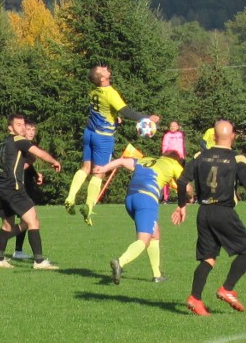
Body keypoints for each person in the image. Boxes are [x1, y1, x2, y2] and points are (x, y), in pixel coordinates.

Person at [171, 120, 246, 316]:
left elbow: (182, 181)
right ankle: (227, 289)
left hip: (204, 212)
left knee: (208, 258)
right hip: (223, 211)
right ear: (233, 136)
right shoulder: (237, 158)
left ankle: (195, 298)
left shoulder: (200, 156)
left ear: (214, 136)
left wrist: (182, 205)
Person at [64, 64, 159, 226]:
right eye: (102, 69)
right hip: (103, 137)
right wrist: (148, 118)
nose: (106, 67)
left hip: (89, 132)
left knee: (85, 168)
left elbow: (103, 112)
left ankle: (71, 196)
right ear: (102, 78)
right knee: (99, 173)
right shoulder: (110, 92)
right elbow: (126, 111)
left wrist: (114, 120)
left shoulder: (94, 91)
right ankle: (89, 205)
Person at [93, 151, 183, 285]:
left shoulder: (146, 160)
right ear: (177, 160)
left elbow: (122, 161)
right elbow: (186, 186)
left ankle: (157, 275)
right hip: (146, 198)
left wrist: (104, 169)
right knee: (144, 240)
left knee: (155, 232)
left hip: (130, 199)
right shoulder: (174, 164)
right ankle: (120, 262)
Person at [0, 114, 61, 270]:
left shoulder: (6, 142)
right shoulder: (19, 140)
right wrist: (54, 161)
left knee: (7, 225)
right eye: (19, 125)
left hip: (1, 188)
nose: (23, 128)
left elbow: (22, 164)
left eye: (24, 125)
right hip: (13, 188)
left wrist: (34, 169)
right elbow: (39, 153)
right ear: (10, 127)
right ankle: (39, 261)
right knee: (33, 221)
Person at [12, 119, 43, 260]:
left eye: (33, 130)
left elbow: (28, 167)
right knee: (31, 221)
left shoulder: (27, 146)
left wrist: (37, 175)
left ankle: (17, 251)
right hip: (18, 188)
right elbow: (21, 167)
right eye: (28, 129)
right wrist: (32, 161)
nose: (31, 132)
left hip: (24, 187)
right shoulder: (20, 145)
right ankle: (0, 241)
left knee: (26, 222)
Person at [160, 121, 185, 203]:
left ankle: (182, 197)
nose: (172, 127)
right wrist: (164, 156)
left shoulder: (180, 135)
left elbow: (182, 146)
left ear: (178, 127)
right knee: (167, 178)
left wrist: (183, 156)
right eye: (171, 126)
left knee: (180, 179)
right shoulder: (167, 136)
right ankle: (166, 198)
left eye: (174, 126)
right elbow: (164, 146)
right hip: (169, 158)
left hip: (180, 159)